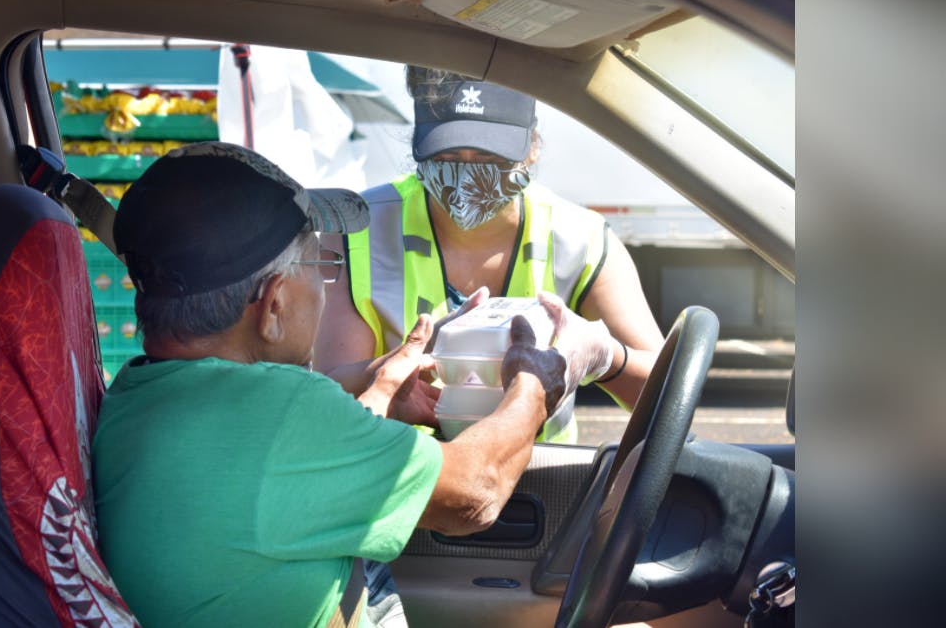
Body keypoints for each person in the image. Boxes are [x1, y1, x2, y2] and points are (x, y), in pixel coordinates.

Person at [92, 141, 574, 627]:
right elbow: (476, 491)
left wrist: (380, 388)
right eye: (320, 267)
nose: (325, 286)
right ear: (274, 304)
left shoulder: (131, 398)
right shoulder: (283, 413)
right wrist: (534, 382)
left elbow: (269, 476)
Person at [314, 66, 665, 444]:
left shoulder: (580, 239)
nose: (467, 174)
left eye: (489, 156)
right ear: (419, 146)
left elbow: (668, 392)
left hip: (543, 481)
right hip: (406, 476)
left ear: (532, 146)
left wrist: (606, 358)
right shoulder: (358, 228)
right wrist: (411, 360)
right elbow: (324, 391)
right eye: (447, 156)